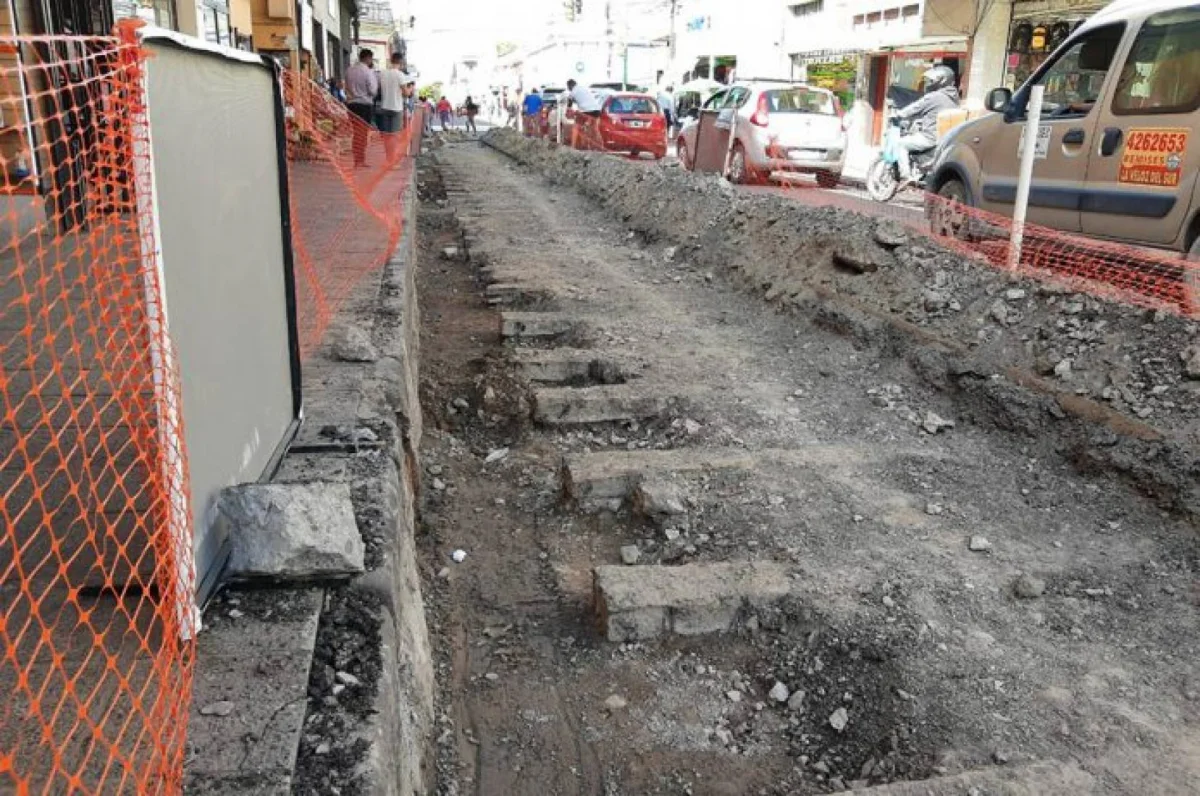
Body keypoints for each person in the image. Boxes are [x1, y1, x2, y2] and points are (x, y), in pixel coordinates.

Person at [893, 65, 959, 186]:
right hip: (944, 140)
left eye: (932, 80)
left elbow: (914, 108)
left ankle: (906, 176)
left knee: (900, 144)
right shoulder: (954, 99)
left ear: (941, 81)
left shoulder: (934, 97)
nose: (929, 83)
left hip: (930, 137)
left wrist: (898, 114)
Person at [345, 49, 379, 167]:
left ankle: (357, 159)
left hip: (351, 105)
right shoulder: (368, 72)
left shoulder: (349, 70)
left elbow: (346, 87)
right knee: (363, 133)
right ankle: (360, 160)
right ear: (368, 58)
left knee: (356, 132)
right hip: (364, 105)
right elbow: (373, 91)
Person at [378, 53, 406, 158]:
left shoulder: (383, 73)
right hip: (396, 108)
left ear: (391, 60)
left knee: (387, 135)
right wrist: (410, 89)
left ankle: (388, 156)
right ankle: (392, 158)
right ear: (401, 62)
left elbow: (379, 88)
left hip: (385, 107)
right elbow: (405, 93)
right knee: (394, 135)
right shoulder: (400, 75)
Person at [566, 79, 601, 147]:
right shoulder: (584, 88)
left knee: (576, 127)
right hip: (596, 110)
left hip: (585, 110)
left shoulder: (573, 91)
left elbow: (569, 105)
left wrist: (568, 110)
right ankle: (600, 146)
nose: (568, 89)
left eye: (568, 87)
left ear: (570, 86)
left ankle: (572, 147)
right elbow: (584, 99)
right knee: (595, 128)